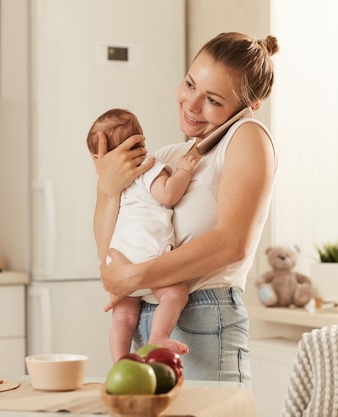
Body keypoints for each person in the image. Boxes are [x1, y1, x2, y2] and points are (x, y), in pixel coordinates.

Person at [93, 32, 279, 385]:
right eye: (190, 84)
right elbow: (112, 250)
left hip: (204, 315)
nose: (191, 105)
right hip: (147, 314)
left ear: (248, 106)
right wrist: (106, 189)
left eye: (212, 99)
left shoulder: (248, 137)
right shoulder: (168, 157)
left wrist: (135, 277)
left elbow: (231, 243)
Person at [86, 108, 199, 361]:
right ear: (142, 143)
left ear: (98, 157)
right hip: (151, 261)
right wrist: (183, 171)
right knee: (175, 294)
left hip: (120, 264)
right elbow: (169, 194)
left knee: (123, 318)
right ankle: (158, 336)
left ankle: (119, 361)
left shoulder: (115, 186)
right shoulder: (150, 168)